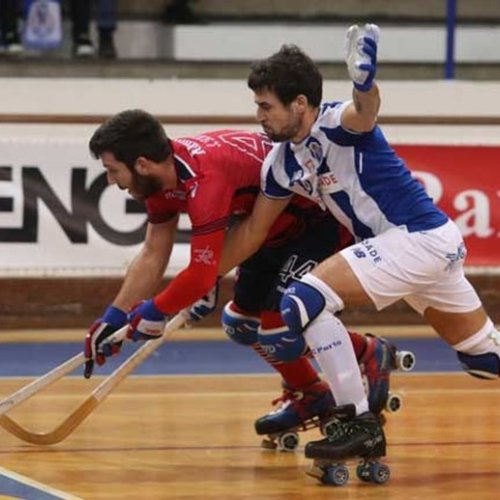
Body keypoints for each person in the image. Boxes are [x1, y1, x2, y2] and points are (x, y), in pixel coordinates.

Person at [217, 24, 500, 482]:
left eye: (266, 106)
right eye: (257, 106)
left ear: (301, 105)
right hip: (416, 250)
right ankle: (359, 418)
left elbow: (364, 112)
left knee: (303, 300)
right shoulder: (281, 163)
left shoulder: (336, 124)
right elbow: (253, 231)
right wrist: (205, 276)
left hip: (418, 238)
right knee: (483, 361)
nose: (259, 116)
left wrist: (365, 82)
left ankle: (357, 421)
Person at [82, 110, 403, 446]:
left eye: (112, 170)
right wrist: (115, 315)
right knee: (241, 323)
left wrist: (158, 310)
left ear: (143, 164)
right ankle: (311, 394)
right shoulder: (163, 178)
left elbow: (200, 271)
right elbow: (153, 252)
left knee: (279, 328)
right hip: (264, 230)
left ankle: (366, 351)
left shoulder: (205, 179)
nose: (111, 180)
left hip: (317, 224)